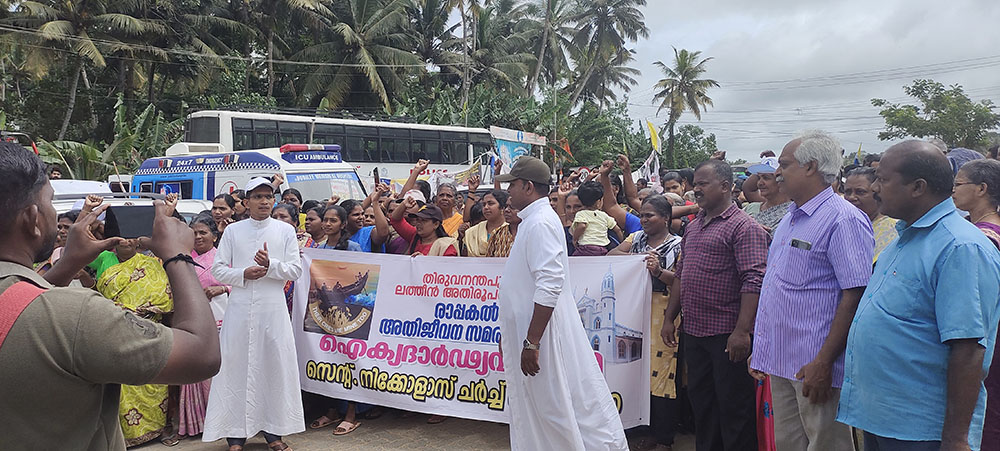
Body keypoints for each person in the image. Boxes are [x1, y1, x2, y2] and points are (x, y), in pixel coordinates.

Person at [0, 142, 220, 450]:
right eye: (50, 202)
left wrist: (67, 265)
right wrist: (178, 256)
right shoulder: (76, 317)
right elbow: (202, 355)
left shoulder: (42, 306)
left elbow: (16, 302)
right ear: (32, 219)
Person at [837, 140, 1000, 451]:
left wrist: (954, 439)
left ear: (917, 187)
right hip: (880, 417)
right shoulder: (903, 239)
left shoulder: (960, 247)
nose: (874, 188)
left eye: (882, 179)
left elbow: (968, 349)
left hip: (922, 430)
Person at [748, 132, 875, 451]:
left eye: (784, 165)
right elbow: (778, 288)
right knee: (789, 443)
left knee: (826, 444)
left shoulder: (843, 220)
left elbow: (855, 294)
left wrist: (824, 362)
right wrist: (762, 347)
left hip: (816, 367)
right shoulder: (792, 217)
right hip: (781, 360)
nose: (777, 173)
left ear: (811, 167)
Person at [494, 156, 627, 450]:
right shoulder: (533, 221)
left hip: (545, 335)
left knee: (554, 407)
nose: (509, 193)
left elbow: (550, 282)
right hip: (536, 332)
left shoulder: (540, 222)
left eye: (512, 186)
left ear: (528, 187)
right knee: (546, 407)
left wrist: (532, 342)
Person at [661, 159, 767, 451]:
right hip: (695, 332)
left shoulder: (744, 228)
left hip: (726, 334)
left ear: (725, 186)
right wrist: (670, 318)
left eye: (702, 184)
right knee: (703, 405)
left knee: (734, 409)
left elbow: (753, 281)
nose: (696, 190)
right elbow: (682, 275)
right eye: (695, 183)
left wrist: (742, 332)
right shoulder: (694, 228)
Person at [204, 177, 304, 451]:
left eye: (268, 197)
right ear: (246, 202)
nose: (263, 202)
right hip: (239, 308)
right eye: (258, 197)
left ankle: (274, 432)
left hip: (273, 310)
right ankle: (235, 435)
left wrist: (270, 265)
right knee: (235, 366)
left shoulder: (284, 231)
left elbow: (295, 270)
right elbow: (219, 269)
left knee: (273, 365)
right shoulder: (234, 231)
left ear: (274, 200)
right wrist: (243, 273)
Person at [609, 194, 683, 450]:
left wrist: (658, 270)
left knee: (661, 373)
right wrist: (633, 260)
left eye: (650, 215)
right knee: (636, 368)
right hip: (635, 311)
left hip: (663, 311)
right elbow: (612, 253)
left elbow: (681, 282)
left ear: (665, 218)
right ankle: (639, 424)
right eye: (641, 215)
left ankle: (663, 436)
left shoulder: (677, 245)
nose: (644, 220)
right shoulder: (637, 238)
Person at [94, 238, 174, 447]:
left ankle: (159, 428)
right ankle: (126, 437)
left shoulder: (151, 265)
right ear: (114, 243)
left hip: (150, 331)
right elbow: (99, 295)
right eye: (121, 238)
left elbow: (163, 295)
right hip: (116, 329)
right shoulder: (106, 263)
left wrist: (145, 310)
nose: (126, 241)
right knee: (123, 384)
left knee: (154, 379)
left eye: (130, 237)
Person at [951, 158, 1000, 451]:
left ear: (981, 188)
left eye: (958, 184)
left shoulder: (982, 238)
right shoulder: (975, 228)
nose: (952, 190)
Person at [844, 167, 898, 260]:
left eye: (860, 192)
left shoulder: (892, 229)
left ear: (876, 192)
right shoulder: (843, 223)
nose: (852, 197)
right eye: (848, 192)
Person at [741, 156, 792, 235]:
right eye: (759, 178)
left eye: (766, 178)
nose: (760, 183)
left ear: (780, 180)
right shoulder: (751, 207)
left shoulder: (791, 213)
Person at [390, 199, 459, 257]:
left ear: (436, 224)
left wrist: (424, 262)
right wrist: (403, 205)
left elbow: (448, 269)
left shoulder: (445, 246)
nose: (419, 223)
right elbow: (395, 220)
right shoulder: (414, 236)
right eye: (417, 220)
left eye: (424, 220)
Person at [571, 181, 622, 256]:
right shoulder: (604, 216)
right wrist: (621, 243)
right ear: (599, 201)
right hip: (602, 249)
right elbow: (617, 230)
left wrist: (575, 239)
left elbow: (582, 226)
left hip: (585, 248)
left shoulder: (581, 214)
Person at [462, 179, 508, 257]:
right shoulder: (472, 232)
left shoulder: (510, 231)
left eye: (490, 203)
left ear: (502, 208)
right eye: (484, 204)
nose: (486, 207)